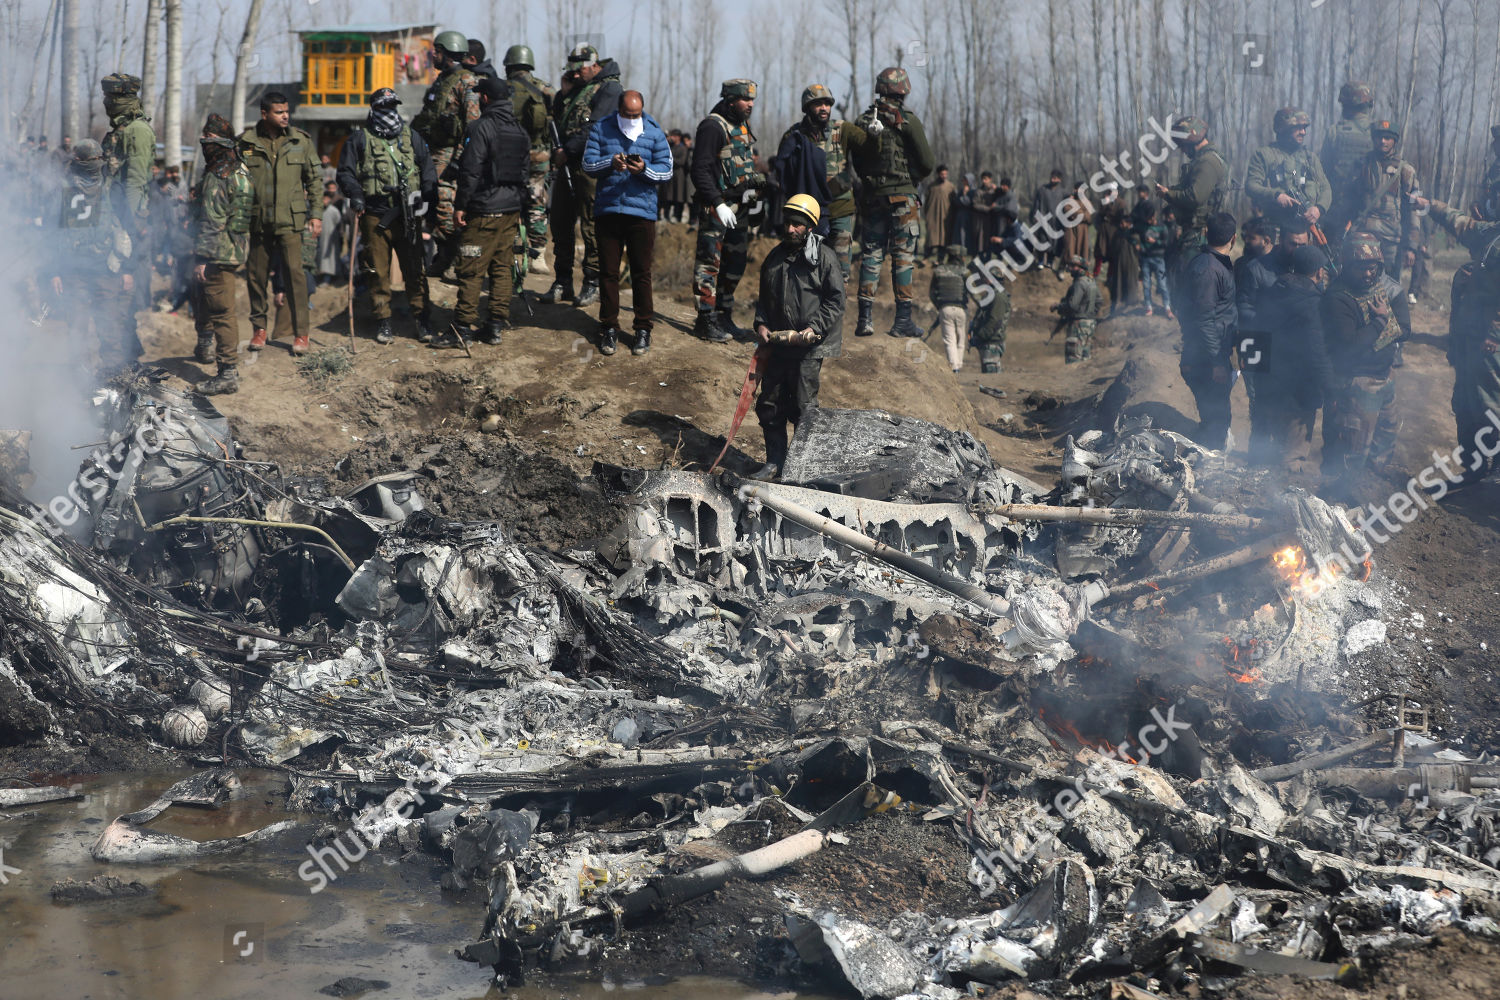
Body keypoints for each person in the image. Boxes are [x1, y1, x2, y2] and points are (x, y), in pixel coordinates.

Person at [749, 193, 844, 481]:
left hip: (807, 349)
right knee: (770, 406)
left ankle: (802, 472)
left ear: (810, 227)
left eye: (797, 225)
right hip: (778, 346)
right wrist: (762, 324)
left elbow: (836, 301)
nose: (790, 229)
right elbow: (764, 299)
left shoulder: (824, 258)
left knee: (804, 411)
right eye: (788, 223)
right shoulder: (775, 257)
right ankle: (775, 464)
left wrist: (814, 328)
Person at [337, 87, 438, 344]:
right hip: (375, 214)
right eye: (384, 107)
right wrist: (356, 193)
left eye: (393, 106)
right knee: (377, 270)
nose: (389, 112)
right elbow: (345, 172)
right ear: (374, 109)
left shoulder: (411, 136)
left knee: (415, 268)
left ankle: (422, 319)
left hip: (408, 213)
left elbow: (427, 167)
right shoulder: (359, 139)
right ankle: (383, 321)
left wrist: (429, 193)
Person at [1415, 196, 1500, 488]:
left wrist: (1495, 333)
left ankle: (1496, 475)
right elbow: (1457, 221)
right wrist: (1428, 204)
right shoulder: (1490, 232)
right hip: (1471, 339)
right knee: (1465, 401)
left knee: (1494, 406)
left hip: (1493, 344)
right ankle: (1474, 468)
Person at [442, 75, 530, 349]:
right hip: (510, 209)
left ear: (486, 99)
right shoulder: (520, 131)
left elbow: (471, 171)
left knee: (470, 267)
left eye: (480, 95)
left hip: (484, 209)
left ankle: (463, 329)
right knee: (503, 268)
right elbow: (525, 173)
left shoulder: (480, 128)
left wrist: (460, 206)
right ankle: (494, 327)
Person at [1319, 232, 1410, 496]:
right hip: (1358, 379)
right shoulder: (1337, 296)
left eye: (1373, 267)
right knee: (1356, 441)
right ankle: (1346, 492)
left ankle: (1374, 478)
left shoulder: (1390, 289)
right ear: (1348, 265)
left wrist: (1371, 332)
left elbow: (1405, 329)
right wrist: (1380, 322)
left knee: (1387, 430)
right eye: (1362, 267)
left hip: (1385, 373)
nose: (1369, 274)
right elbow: (1351, 343)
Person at [582, 90, 672, 356]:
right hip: (608, 209)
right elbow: (587, 165)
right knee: (608, 272)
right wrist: (610, 164)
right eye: (627, 115)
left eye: (636, 115)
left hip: (642, 213)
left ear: (642, 111)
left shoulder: (654, 132)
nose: (632, 119)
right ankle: (608, 327)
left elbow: (666, 170)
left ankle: (643, 328)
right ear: (619, 110)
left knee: (641, 273)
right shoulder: (601, 128)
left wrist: (644, 170)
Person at [848, 67, 936, 338]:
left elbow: (857, 163)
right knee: (903, 258)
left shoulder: (862, 121)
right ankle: (902, 321)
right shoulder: (907, 120)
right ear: (903, 90)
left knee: (871, 255)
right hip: (902, 199)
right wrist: (911, 180)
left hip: (873, 198)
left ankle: (865, 320)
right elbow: (928, 163)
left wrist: (873, 183)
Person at [238, 91, 322, 355]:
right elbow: (237, 183)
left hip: (290, 220)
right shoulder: (246, 142)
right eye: (279, 112)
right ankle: (259, 330)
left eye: (287, 111)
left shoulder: (301, 141)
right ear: (264, 114)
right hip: (258, 220)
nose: (285, 115)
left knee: (295, 277)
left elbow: (314, 181)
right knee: (256, 277)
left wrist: (316, 214)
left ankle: (301, 335)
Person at [544, 43, 623, 307]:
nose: (575, 75)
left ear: (594, 66)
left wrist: (568, 149)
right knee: (560, 222)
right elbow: (556, 120)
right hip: (567, 163)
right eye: (572, 72)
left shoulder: (609, 88)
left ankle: (592, 281)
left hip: (591, 165)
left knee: (591, 224)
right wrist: (563, 93)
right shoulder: (573, 91)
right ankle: (562, 280)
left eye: (580, 71)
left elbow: (597, 127)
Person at [49, 139, 136, 378]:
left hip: (106, 271)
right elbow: (54, 232)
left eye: (95, 160)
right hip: (73, 271)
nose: (93, 165)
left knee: (109, 328)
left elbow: (127, 227)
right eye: (88, 161)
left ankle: (112, 378)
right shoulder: (64, 188)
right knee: (76, 328)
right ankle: (81, 379)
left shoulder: (111, 188)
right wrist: (55, 272)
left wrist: (127, 269)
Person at [689, 79, 767, 342]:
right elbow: (699, 170)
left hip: (739, 207)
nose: (751, 105)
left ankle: (724, 314)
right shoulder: (712, 126)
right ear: (731, 100)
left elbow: (741, 164)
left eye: (753, 100)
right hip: (717, 206)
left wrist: (752, 196)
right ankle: (705, 320)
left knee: (735, 261)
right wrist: (717, 202)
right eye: (746, 100)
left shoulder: (741, 125)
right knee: (710, 262)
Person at [774, 83, 868, 281]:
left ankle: (835, 310)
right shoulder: (794, 137)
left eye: (827, 103)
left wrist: (874, 132)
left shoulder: (842, 130)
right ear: (807, 107)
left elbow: (868, 145)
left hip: (840, 209)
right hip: (808, 215)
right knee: (809, 269)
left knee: (840, 273)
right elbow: (782, 172)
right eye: (818, 104)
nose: (824, 108)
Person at [1250, 245, 1330, 474]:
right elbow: (1318, 351)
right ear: (1318, 272)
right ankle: (1281, 502)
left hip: (1268, 384)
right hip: (1299, 390)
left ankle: (1256, 488)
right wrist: (1329, 386)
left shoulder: (1270, 292)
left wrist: (1255, 375)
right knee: (1292, 457)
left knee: (1266, 449)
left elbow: (1253, 331)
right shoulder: (1314, 304)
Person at [190, 115, 254, 396]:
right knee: (219, 309)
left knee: (223, 313)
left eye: (209, 139)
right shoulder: (241, 169)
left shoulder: (219, 175)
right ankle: (217, 359)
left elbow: (212, 220)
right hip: (234, 249)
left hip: (216, 253)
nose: (205, 144)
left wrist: (201, 257)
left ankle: (227, 372)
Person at [411, 30, 480, 279]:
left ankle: (456, 259)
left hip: (451, 154)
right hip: (432, 153)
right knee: (430, 205)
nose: (433, 56)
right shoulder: (440, 82)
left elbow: (473, 125)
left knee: (445, 206)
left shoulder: (467, 82)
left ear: (446, 53)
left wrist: (458, 161)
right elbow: (426, 118)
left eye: (436, 52)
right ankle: (444, 254)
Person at [99, 73, 155, 359]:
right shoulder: (119, 131)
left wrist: (126, 230)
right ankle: (127, 352)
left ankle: (125, 360)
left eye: (111, 97)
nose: (106, 103)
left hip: (126, 220)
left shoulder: (136, 131)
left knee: (121, 293)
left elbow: (135, 182)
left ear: (122, 99)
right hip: (113, 219)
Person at [1176, 211, 1237, 451]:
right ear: (1234, 237)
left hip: (1206, 352)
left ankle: (1208, 457)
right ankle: (1210, 467)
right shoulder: (1210, 270)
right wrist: (1217, 362)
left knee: (1215, 416)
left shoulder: (1207, 263)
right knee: (1217, 419)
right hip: (1208, 357)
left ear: (1205, 233)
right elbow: (1203, 320)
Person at [1157, 115, 1227, 301]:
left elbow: (1195, 196)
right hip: (1196, 232)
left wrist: (1168, 195)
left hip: (1199, 236)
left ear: (1190, 139)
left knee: (1191, 288)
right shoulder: (1204, 160)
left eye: (1181, 144)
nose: (1180, 149)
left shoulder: (1207, 162)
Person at [503, 44, 556, 273]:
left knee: (510, 199)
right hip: (539, 153)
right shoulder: (545, 89)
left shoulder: (503, 89)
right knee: (536, 201)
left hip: (510, 154)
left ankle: (512, 252)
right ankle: (538, 256)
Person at [1348, 119, 1420, 281]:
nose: (1383, 141)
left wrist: (1411, 246)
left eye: (1388, 138)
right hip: (1364, 234)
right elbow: (1350, 200)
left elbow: (1414, 210)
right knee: (1360, 279)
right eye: (1379, 137)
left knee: (1390, 283)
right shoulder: (1362, 165)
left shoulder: (1405, 170)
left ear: (1394, 140)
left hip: (1392, 239)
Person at [1244, 108, 1331, 236]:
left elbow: (1325, 188)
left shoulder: (1310, 158)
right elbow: (1251, 186)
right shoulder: (1264, 155)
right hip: (1275, 230)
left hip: (1306, 231)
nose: (1303, 132)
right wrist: (1276, 195)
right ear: (1283, 129)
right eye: (1298, 128)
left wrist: (1319, 208)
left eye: (1304, 128)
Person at [1321, 80, 1376, 245]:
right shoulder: (1379, 133)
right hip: (1370, 211)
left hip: (1338, 210)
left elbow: (1323, 170)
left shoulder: (1335, 132)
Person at [1053, 255, 1101, 363]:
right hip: (1090, 325)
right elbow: (1099, 301)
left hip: (1078, 325)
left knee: (1073, 359)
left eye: (1073, 266)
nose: (1070, 268)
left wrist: (1057, 306)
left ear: (1081, 268)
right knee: (1085, 360)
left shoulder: (1079, 283)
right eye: (1070, 265)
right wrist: (1090, 315)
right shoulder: (1091, 281)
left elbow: (1072, 305)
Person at [928, 243, 968, 372]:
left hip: (945, 309)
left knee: (949, 340)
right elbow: (973, 292)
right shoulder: (965, 272)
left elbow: (931, 293)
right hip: (961, 309)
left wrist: (939, 306)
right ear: (959, 257)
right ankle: (959, 366)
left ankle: (954, 368)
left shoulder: (938, 271)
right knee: (961, 340)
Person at [1134, 202, 1171, 318]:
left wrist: (1155, 242)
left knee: (1162, 284)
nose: (1148, 221)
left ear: (1154, 216)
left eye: (1150, 219)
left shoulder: (1162, 226)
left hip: (1159, 259)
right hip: (1145, 259)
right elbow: (1130, 233)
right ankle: (1148, 307)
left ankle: (1167, 307)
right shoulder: (1141, 226)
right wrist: (1136, 243)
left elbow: (1166, 243)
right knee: (1146, 284)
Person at [1031, 169, 1068, 268]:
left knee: (1054, 243)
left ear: (1059, 180)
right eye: (1052, 177)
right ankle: (1041, 261)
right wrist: (1036, 215)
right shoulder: (1042, 190)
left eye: (1055, 178)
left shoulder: (1063, 193)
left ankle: (1050, 262)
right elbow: (1036, 204)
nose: (1053, 179)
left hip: (1056, 222)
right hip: (1044, 219)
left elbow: (1067, 206)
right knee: (1042, 240)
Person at [923, 165, 956, 261]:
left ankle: (940, 260)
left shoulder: (951, 187)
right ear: (938, 174)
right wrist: (927, 216)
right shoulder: (931, 186)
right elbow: (926, 203)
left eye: (946, 174)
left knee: (944, 240)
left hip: (946, 218)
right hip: (933, 218)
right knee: (931, 239)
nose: (944, 176)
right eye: (942, 174)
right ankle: (925, 259)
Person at [664, 131, 691, 222]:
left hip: (679, 175)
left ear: (678, 137)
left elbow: (682, 161)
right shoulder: (670, 147)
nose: (672, 138)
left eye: (674, 136)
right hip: (670, 174)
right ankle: (666, 215)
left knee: (678, 196)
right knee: (668, 196)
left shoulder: (683, 148)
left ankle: (677, 216)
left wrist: (671, 160)